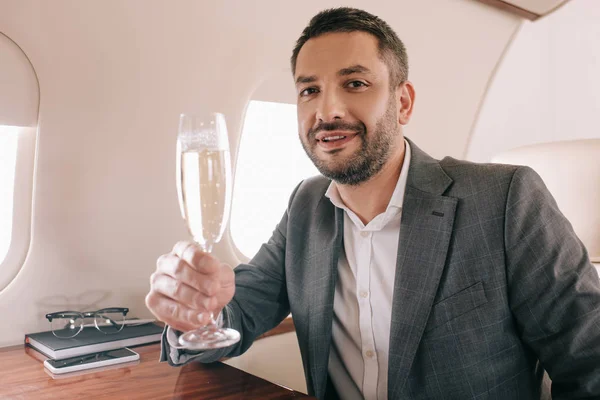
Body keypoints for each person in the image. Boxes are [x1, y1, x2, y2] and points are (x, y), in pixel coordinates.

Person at [145, 7, 600, 399]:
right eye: (309, 90)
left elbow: (589, 361)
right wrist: (192, 312)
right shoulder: (305, 206)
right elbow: (237, 313)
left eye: (356, 83)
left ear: (402, 102)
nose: (328, 111)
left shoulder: (503, 200)